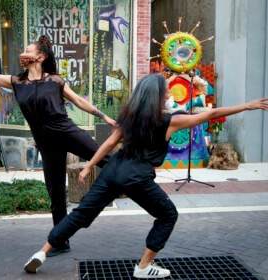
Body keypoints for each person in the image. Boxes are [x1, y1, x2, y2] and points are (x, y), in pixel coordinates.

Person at [23, 74, 268, 278]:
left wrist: (90, 165)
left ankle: (42, 252)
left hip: (112, 171)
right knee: (168, 214)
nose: (169, 92)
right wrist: (246, 106)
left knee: (81, 214)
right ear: (158, 95)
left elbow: (109, 143)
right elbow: (209, 115)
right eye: (166, 90)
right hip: (136, 176)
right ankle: (143, 266)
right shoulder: (169, 121)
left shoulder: (129, 116)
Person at [0, 35, 116, 257]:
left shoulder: (54, 81)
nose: (23, 53)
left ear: (40, 57)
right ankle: (61, 241)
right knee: (55, 193)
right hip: (47, 143)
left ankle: (136, 179)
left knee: (104, 157)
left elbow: (79, 101)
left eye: (28, 50)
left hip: (67, 132)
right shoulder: (17, 82)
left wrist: (105, 118)